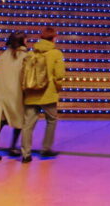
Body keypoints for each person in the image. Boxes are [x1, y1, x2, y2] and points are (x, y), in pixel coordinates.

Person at [20, 27, 65, 163]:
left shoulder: (31, 53)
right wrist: (57, 88)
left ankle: (26, 154)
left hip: (31, 93)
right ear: (53, 38)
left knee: (28, 125)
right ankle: (46, 148)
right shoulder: (56, 53)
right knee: (51, 120)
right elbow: (59, 75)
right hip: (48, 94)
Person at [0, 32, 25, 162]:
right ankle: (13, 146)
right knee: (19, 120)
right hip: (15, 94)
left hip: (1, 94)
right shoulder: (24, 57)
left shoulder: (2, 57)